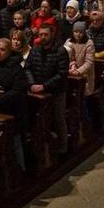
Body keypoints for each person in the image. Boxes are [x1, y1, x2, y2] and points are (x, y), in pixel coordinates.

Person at [27, 25, 69, 155]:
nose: (43, 37)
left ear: (52, 35)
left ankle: (63, 147)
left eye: (46, 34)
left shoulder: (60, 51)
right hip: (35, 89)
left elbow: (62, 74)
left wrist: (44, 86)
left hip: (55, 91)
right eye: (41, 35)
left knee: (58, 117)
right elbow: (28, 68)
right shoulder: (35, 49)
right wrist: (32, 84)